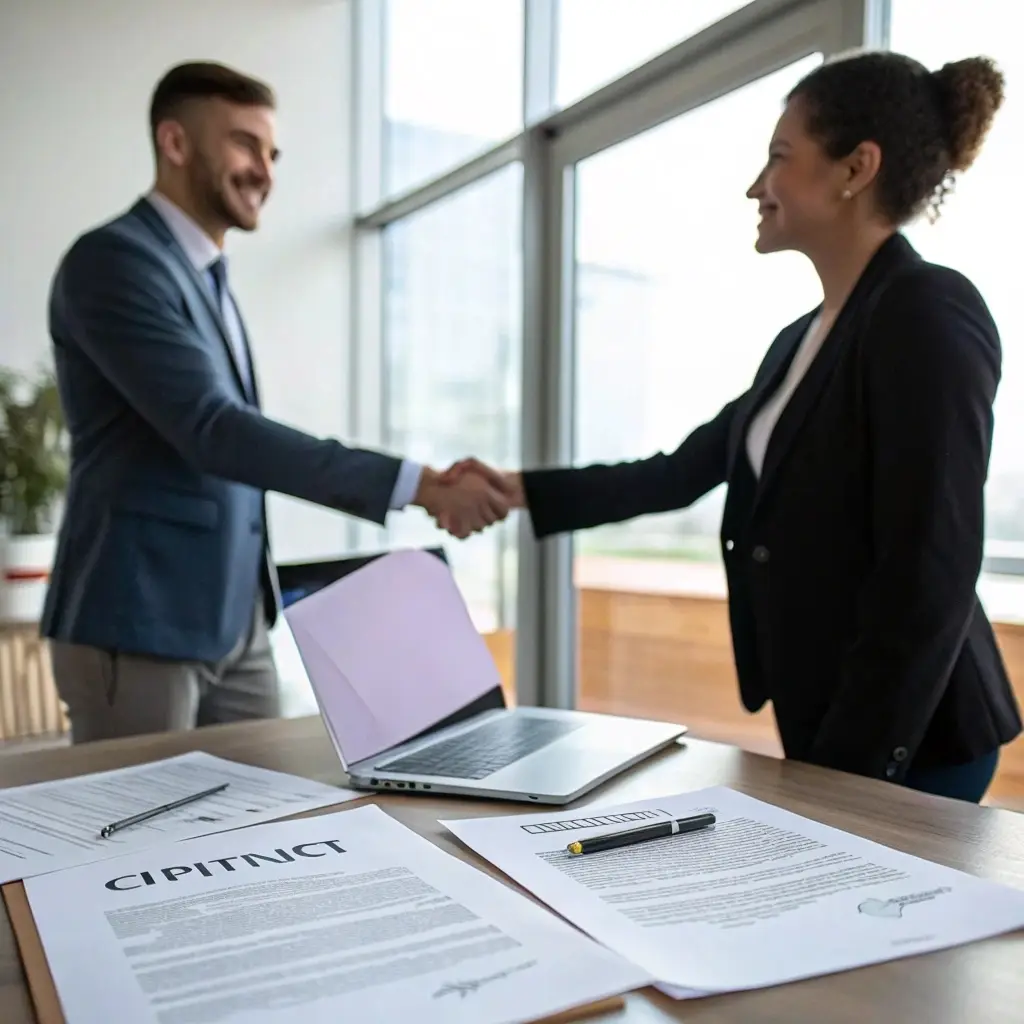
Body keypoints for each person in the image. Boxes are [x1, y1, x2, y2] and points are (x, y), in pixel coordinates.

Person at [447, 50, 1022, 803]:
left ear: (856, 169)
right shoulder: (802, 340)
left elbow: (929, 573)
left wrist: (850, 772)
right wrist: (513, 488)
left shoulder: (927, 310)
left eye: (780, 157)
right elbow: (676, 472)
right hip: (824, 714)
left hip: (912, 739)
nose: (757, 186)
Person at [44, 61, 507, 743]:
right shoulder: (114, 261)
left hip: (235, 621)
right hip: (139, 621)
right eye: (243, 143)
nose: (265, 168)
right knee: (140, 841)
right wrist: (417, 485)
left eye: (272, 151)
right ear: (175, 144)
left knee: (273, 818)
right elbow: (214, 431)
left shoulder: (204, 274)